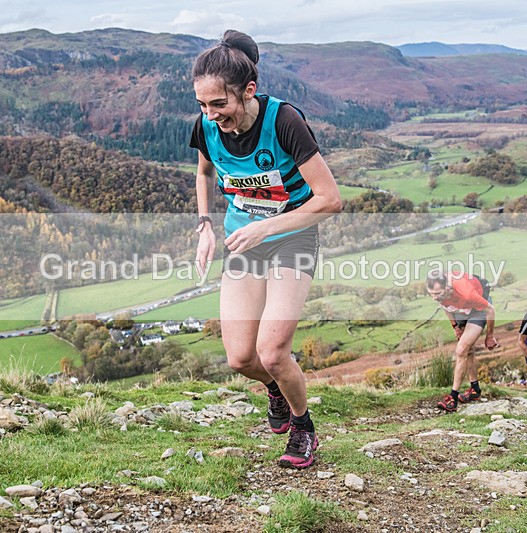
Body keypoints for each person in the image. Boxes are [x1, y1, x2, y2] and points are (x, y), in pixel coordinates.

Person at [190, 30, 341, 469]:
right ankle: (275, 387)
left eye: (219, 104)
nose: (211, 114)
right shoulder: (206, 127)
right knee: (241, 358)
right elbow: (203, 173)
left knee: (273, 352)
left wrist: (268, 226)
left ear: (248, 91)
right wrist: (205, 225)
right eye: (202, 105)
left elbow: (329, 199)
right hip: (243, 241)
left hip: (292, 238)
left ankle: (304, 427)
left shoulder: (283, 122)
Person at [426, 270, 499, 413]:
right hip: (461, 310)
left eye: (438, 294)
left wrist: (489, 336)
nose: (434, 298)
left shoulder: (466, 292)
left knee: (460, 350)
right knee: (468, 350)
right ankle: (474, 389)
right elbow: (446, 306)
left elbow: (490, 310)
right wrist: (455, 327)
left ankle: (452, 398)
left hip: (478, 310)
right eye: (431, 294)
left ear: (448, 287)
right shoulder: (440, 293)